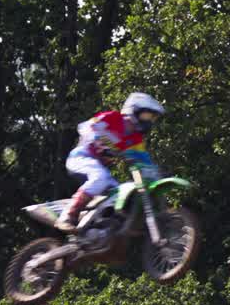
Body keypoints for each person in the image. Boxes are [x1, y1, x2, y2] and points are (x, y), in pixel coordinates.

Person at [57, 92, 165, 232]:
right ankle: (68, 215)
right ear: (133, 110)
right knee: (100, 176)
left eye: (152, 117)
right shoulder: (112, 118)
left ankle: (98, 230)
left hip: (100, 169)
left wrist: (156, 174)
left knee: (119, 194)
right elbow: (84, 127)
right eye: (146, 115)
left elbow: (144, 161)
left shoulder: (135, 139)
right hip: (80, 157)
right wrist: (99, 141)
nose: (149, 120)